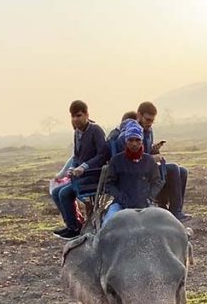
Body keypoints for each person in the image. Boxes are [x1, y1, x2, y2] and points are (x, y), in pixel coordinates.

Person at [52, 100, 110, 239]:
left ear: (86, 114)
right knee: (56, 192)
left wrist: (84, 167)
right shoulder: (77, 133)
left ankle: (75, 228)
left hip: (93, 175)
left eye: (78, 115)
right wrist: (72, 168)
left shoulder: (95, 130)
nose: (76, 119)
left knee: (64, 194)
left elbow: (103, 155)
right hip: (80, 176)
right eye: (73, 116)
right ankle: (72, 225)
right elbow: (77, 156)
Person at [136, 101, 190, 221]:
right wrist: (151, 157)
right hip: (139, 170)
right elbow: (134, 155)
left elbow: (145, 151)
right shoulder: (134, 131)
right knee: (173, 168)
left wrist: (153, 150)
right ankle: (174, 211)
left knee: (183, 171)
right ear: (139, 115)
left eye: (152, 121)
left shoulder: (148, 131)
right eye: (147, 120)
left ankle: (176, 209)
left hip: (147, 166)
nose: (150, 124)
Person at [103, 120, 163, 225]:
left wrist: (149, 197)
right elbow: (109, 184)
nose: (134, 144)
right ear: (126, 141)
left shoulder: (149, 160)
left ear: (141, 140)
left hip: (145, 204)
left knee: (162, 224)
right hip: (121, 204)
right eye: (130, 140)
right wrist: (120, 197)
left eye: (137, 140)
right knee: (108, 223)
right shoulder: (116, 160)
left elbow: (157, 182)